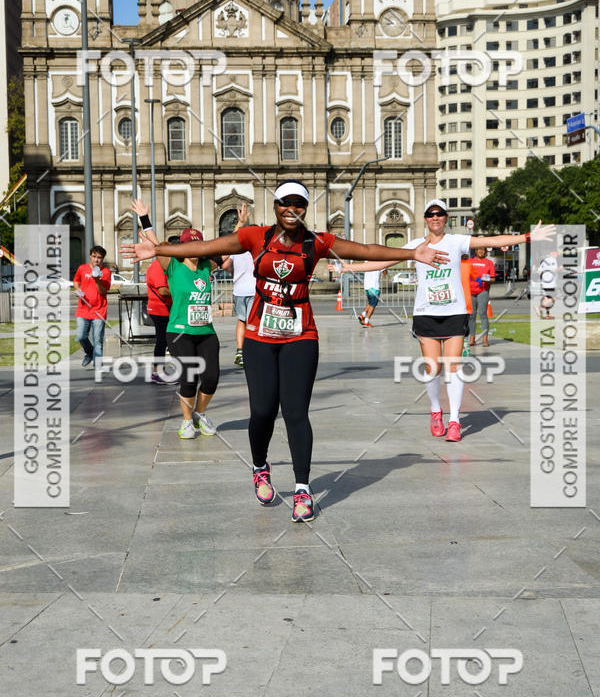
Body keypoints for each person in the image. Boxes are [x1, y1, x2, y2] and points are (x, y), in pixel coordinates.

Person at [121, 181, 450, 522]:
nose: (291, 209)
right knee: (262, 411)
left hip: (300, 336)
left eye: (299, 204)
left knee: (295, 413)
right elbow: (206, 246)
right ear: (275, 205)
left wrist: (411, 253)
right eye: (285, 203)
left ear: (305, 208)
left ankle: (303, 488)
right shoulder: (254, 237)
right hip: (260, 337)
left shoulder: (317, 241)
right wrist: (158, 250)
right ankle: (260, 466)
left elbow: (365, 249)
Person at [341, 199, 554, 442]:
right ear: (425, 219)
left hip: (454, 312)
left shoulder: (457, 241)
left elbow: (491, 241)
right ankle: (435, 410)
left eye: (440, 214)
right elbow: (384, 260)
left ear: (446, 218)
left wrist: (527, 237)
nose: (435, 218)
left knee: (454, 367)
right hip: (426, 313)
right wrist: (351, 268)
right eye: (431, 214)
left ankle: (454, 420)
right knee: (433, 368)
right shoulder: (415, 245)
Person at [132, 201, 221, 439]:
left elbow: (228, 250)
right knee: (189, 378)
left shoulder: (206, 267)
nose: (193, 248)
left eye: (197, 244)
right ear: (181, 246)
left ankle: (199, 415)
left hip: (206, 332)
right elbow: (156, 245)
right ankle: (186, 422)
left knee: (211, 377)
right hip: (180, 331)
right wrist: (145, 218)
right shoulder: (172, 264)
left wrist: (242, 224)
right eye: (188, 244)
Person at [221, 205, 256, 368]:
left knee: (242, 320)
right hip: (256, 290)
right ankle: (254, 351)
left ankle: (240, 352)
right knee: (254, 321)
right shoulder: (261, 250)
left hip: (239, 290)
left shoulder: (238, 250)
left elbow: (225, 264)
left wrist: (240, 225)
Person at [145, 236, 179, 383]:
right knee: (163, 341)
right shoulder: (157, 267)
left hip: (165, 309)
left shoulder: (164, 265)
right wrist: (181, 293)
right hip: (160, 310)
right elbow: (163, 290)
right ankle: (158, 372)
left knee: (166, 341)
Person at [73, 245, 112, 367]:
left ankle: (98, 365)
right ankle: (89, 353)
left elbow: (102, 291)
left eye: (99, 258)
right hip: (83, 309)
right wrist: (78, 290)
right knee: (80, 336)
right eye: (94, 256)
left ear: (102, 259)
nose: (96, 260)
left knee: (98, 340)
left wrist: (97, 279)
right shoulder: (82, 268)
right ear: (90, 256)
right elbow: (76, 281)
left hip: (99, 310)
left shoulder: (106, 272)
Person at [468, 244, 496, 347]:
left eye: (482, 250)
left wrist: (486, 279)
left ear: (485, 251)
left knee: (483, 314)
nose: (480, 252)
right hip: (470, 291)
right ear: (475, 251)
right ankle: (472, 338)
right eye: (478, 250)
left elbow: (493, 279)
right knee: (471, 316)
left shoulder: (489, 263)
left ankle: (485, 339)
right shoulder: (470, 261)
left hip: (483, 291)